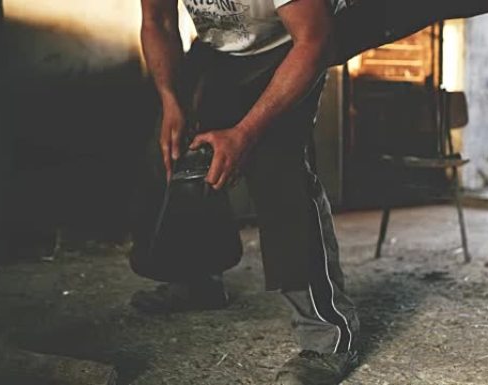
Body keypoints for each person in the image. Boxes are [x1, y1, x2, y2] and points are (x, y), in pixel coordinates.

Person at [133, 0, 360, 383]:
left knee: (279, 169)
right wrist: (171, 100)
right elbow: (157, 22)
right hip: (220, 49)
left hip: (292, 45)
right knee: (173, 151)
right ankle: (196, 278)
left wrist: (245, 133)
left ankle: (329, 337)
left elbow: (314, 43)